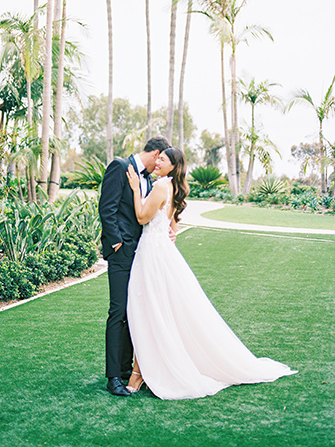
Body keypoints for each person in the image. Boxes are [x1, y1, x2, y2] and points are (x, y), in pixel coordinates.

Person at [125, 146, 298, 400]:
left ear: (173, 165)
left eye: (163, 159)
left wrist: (135, 189)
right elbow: (171, 224)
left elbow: (141, 217)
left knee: (149, 309)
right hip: (159, 251)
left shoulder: (161, 186)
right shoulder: (172, 186)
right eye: (158, 158)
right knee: (154, 310)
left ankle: (139, 373)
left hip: (152, 253)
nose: (158, 161)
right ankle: (142, 370)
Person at [98, 135, 170, 397]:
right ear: (156, 154)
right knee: (118, 312)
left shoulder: (149, 180)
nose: (159, 164)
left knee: (133, 313)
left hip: (142, 255)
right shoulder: (119, 167)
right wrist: (117, 243)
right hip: (122, 253)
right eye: (160, 159)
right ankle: (113, 377)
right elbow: (107, 208)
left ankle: (128, 370)